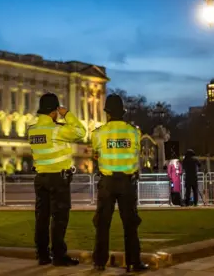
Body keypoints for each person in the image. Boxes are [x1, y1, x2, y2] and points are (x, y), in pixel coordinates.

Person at [91, 94, 149, 273]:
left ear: (107, 113)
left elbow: (95, 154)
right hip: (127, 182)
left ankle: (100, 261)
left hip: (107, 182)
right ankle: (133, 262)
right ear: (123, 113)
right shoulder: (134, 132)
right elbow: (136, 153)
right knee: (130, 224)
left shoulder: (98, 133)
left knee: (102, 223)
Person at [28, 92, 86, 266]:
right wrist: (67, 114)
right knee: (59, 218)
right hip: (58, 179)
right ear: (54, 112)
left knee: (42, 217)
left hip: (40, 178)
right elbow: (80, 132)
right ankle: (59, 255)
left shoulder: (32, 130)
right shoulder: (57, 130)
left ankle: (42, 254)